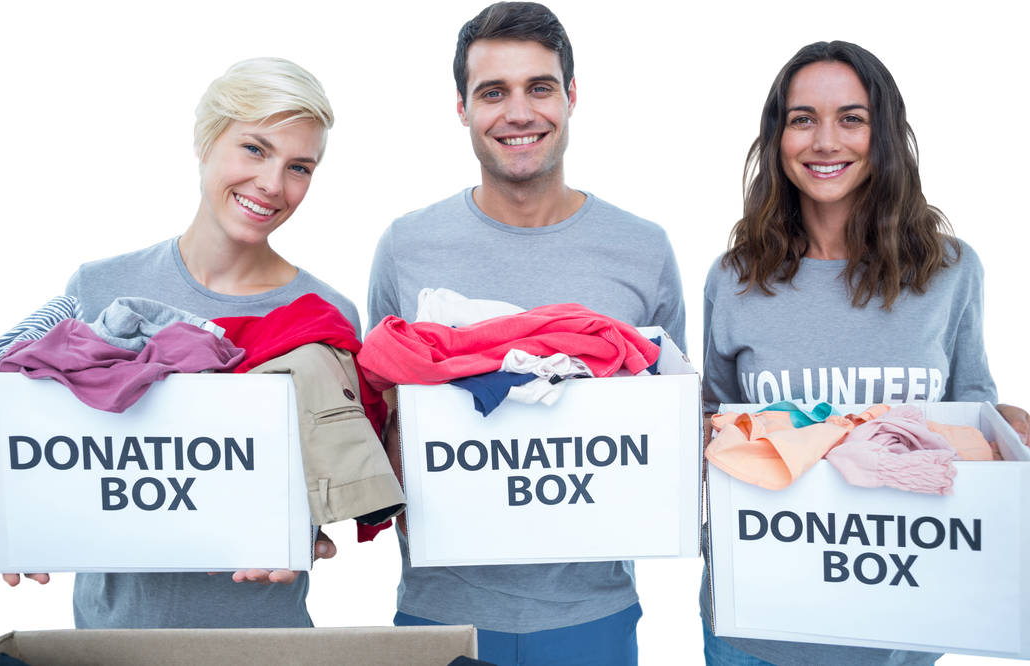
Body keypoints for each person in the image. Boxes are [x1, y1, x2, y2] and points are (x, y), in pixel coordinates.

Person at [0, 53, 353, 628]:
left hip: (267, 647)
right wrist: (16, 505)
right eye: (254, 148)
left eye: (301, 167)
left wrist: (315, 532)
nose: (273, 184)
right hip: (110, 646)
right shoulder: (102, 287)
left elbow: (337, 468)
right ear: (204, 141)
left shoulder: (330, 315)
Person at [363, 1, 688, 664]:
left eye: (539, 87)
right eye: (493, 92)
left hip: (596, 616)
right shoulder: (406, 245)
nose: (518, 113)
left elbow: (672, 418)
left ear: (572, 97)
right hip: (438, 616)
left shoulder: (645, 246)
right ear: (460, 108)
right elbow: (382, 415)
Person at [699, 37, 1027, 665]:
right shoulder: (732, 277)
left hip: (904, 630)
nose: (826, 142)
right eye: (803, 120)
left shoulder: (953, 269)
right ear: (777, 140)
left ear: (885, 137)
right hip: (758, 628)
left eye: (852, 119)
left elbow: (972, 415)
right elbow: (715, 424)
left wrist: (1010, 430)